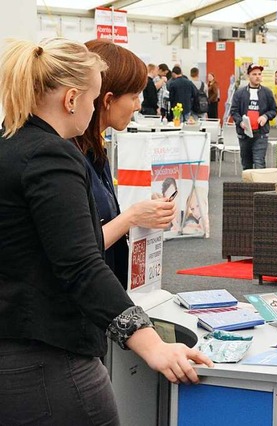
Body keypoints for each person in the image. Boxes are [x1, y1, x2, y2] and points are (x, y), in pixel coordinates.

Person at [0, 37, 213, 425]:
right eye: (93, 97)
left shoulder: (12, 145)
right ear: (71, 99)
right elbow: (80, 263)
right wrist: (151, 344)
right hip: (50, 359)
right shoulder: (52, 155)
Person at [75, 39, 177, 288]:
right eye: (134, 96)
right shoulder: (66, 158)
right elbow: (78, 247)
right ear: (106, 99)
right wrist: (131, 218)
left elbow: (99, 229)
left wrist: (141, 218)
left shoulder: (96, 151)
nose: (138, 105)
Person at [230, 63, 277, 170]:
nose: (257, 76)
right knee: (246, 165)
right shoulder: (240, 93)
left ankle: (259, 186)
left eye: (259, 74)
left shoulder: (267, 93)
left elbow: (274, 110)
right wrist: (240, 122)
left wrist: (265, 116)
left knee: (259, 163)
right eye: (254, 74)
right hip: (244, 134)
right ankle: (247, 186)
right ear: (248, 76)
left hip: (261, 134)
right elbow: (234, 111)